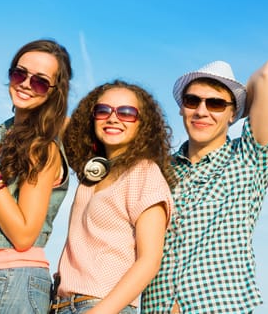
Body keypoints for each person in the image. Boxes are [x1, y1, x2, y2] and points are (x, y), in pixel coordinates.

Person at [141, 60, 268, 314]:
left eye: (216, 103)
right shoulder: (159, 170)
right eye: (192, 101)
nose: (201, 110)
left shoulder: (248, 158)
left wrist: (239, 100)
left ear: (234, 113)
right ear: (181, 109)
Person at [0, 39, 72, 313]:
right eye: (19, 73)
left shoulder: (41, 147)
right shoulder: (10, 139)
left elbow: (23, 235)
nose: (25, 83)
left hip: (14, 280)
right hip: (0, 280)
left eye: (40, 82)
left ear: (54, 92)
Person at [49, 80, 174, 314]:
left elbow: (149, 261)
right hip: (61, 305)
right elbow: (53, 121)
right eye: (103, 110)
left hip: (102, 306)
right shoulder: (92, 173)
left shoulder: (144, 172)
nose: (113, 118)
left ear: (142, 124)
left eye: (126, 112)